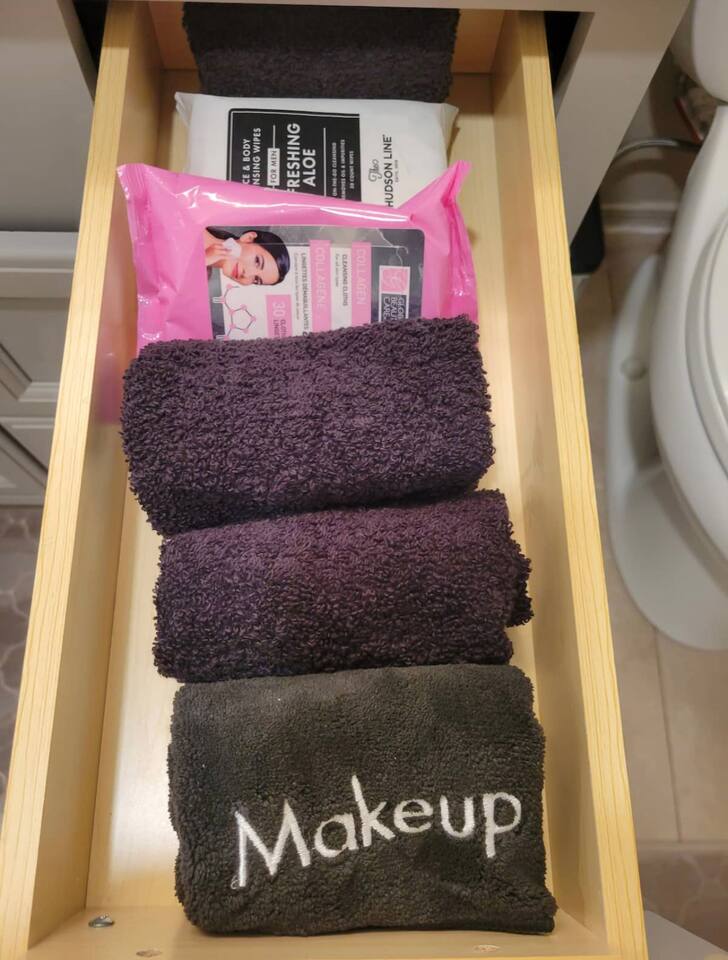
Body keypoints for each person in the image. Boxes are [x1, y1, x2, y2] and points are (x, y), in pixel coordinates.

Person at [204, 227, 290, 285]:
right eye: (257, 261)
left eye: (256, 280)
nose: (247, 274)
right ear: (248, 238)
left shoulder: (202, 278)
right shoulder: (195, 222)